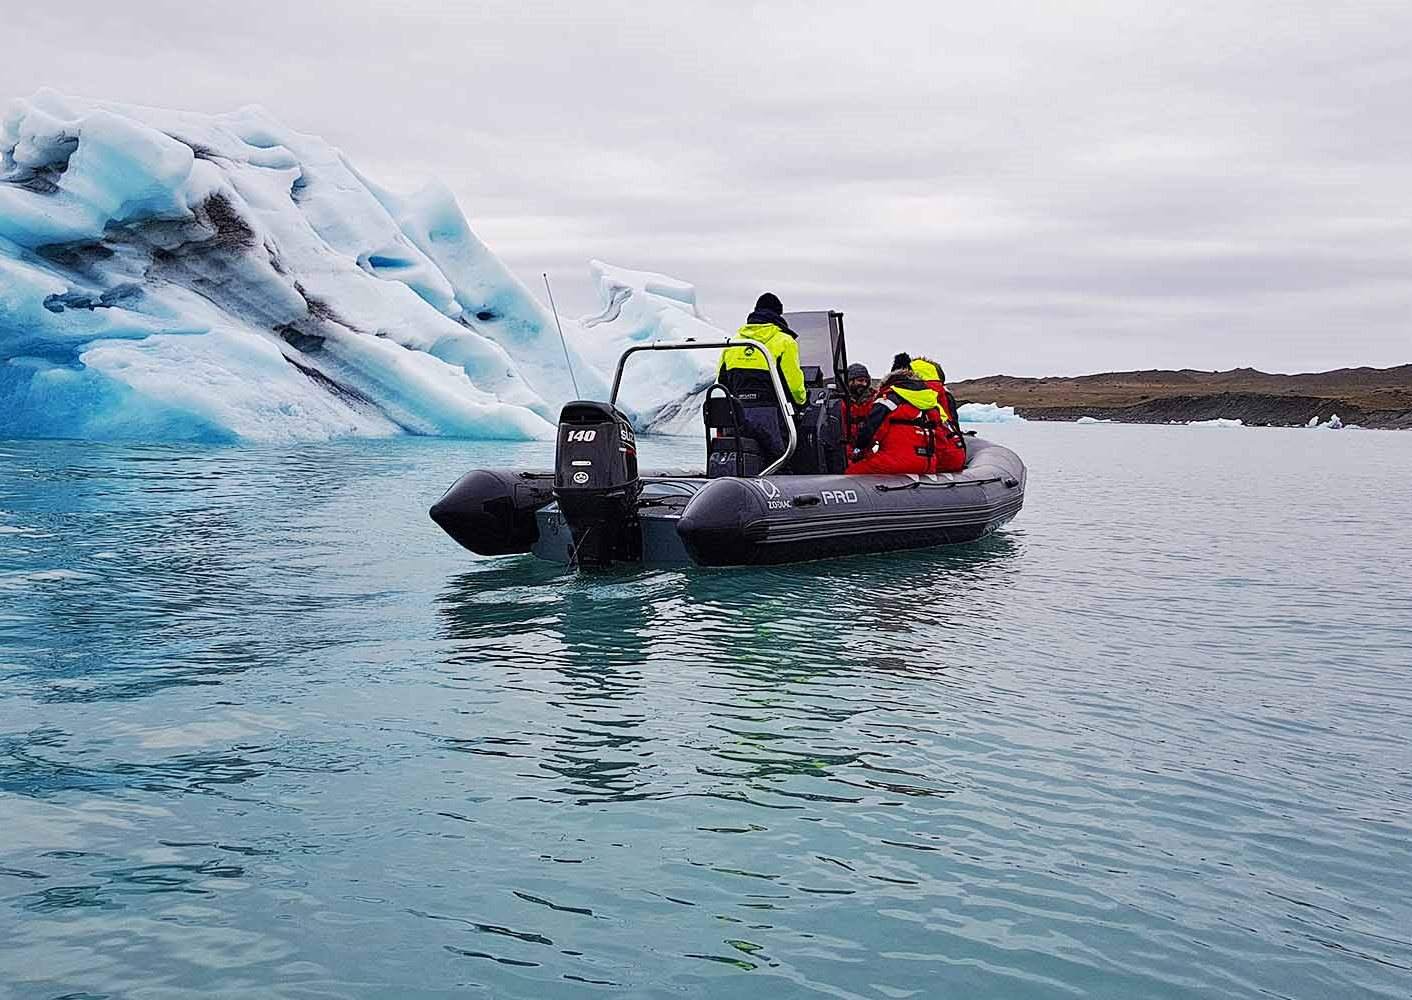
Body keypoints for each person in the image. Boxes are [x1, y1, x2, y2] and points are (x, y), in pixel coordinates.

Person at [717, 293, 807, 460]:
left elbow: (722, 381)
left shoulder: (734, 342)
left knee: (740, 460)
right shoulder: (785, 341)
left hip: (738, 416)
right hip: (770, 416)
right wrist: (803, 401)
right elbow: (793, 384)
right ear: (778, 314)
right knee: (781, 461)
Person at [846, 364, 966, 475]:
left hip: (897, 462)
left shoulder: (887, 400)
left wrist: (859, 449)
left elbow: (870, 432)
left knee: (850, 474)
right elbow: (940, 439)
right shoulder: (930, 403)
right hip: (928, 464)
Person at [843, 363, 874, 428]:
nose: (864, 384)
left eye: (866, 381)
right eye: (860, 380)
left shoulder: (873, 398)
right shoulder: (841, 400)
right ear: (850, 381)